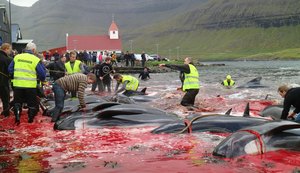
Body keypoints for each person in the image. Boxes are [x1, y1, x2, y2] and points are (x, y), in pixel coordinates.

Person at [8, 42, 46, 124]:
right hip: (30, 86)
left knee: (17, 102)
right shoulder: (35, 59)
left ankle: (17, 118)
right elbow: (42, 73)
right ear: (33, 50)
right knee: (31, 103)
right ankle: (30, 119)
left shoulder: (17, 57)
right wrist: (41, 79)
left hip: (18, 85)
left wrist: (14, 76)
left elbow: (10, 69)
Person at [0, 43, 13, 117]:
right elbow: (11, 71)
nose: (10, 52)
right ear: (6, 49)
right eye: (10, 50)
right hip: (3, 82)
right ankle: (6, 114)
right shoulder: (8, 59)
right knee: (5, 99)